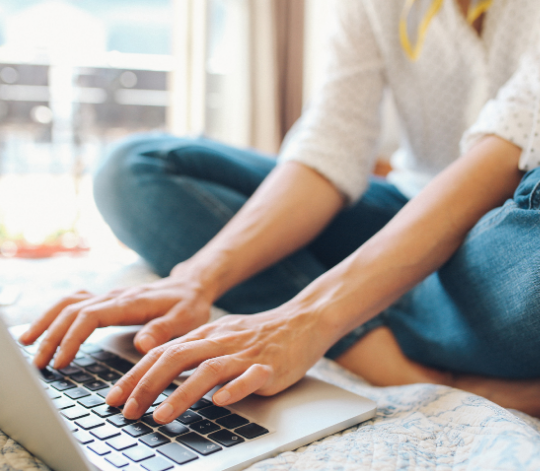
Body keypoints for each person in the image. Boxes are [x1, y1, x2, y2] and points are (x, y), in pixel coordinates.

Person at [21, 0, 540, 421]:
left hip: (509, 234)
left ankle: (379, 301)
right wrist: (197, 279)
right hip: (402, 210)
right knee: (135, 167)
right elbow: (330, 145)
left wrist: (306, 318)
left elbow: (504, 156)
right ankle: (405, 352)